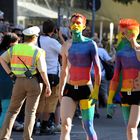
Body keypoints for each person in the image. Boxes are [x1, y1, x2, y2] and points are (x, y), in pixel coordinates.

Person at [0, 26, 51, 140]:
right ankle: (27, 138)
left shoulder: (15, 48)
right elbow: (42, 70)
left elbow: (2, 59)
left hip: (18, 81)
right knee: (30, 112)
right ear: (35, 37)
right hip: (33, 82)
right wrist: (47, 85)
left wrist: (10, 74)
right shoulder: (38, 51)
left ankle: (4, 137)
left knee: (12, 111)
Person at [59, 13, 101, 140]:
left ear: (83, 26)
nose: (75, 25)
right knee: (65, 125)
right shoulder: (66, 45)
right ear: (70, 26)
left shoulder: (91, 44)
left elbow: (97, 69)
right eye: (73, 23)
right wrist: (61, 90)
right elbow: (64, 70)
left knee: (88, 126)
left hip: (86, 90)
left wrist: (96, 92)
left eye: (78, 23)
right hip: (69, 88)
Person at [107, 18, 140, 140]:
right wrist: (110, 100)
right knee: (130, 130)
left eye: (125, 32)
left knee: (132, 127)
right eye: (122, 33)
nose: (123, 35)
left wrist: (135, 45)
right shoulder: (120, 53)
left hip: (138, 93)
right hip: (125, 93)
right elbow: (115, 77)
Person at [36, 19, 62, 134]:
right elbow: (65, 52)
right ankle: (44, 126)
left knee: (38, 101)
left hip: (38, 74)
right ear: (54, 30)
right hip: (52, 75)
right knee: (50, 101)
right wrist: (61, 37)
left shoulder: (36, 40)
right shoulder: (53, 42)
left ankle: (32, 125)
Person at [0, 33, 19, 128]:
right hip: (6, 84)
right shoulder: (9, 54)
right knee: (5, 110)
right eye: (16, 42)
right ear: (11, 43)